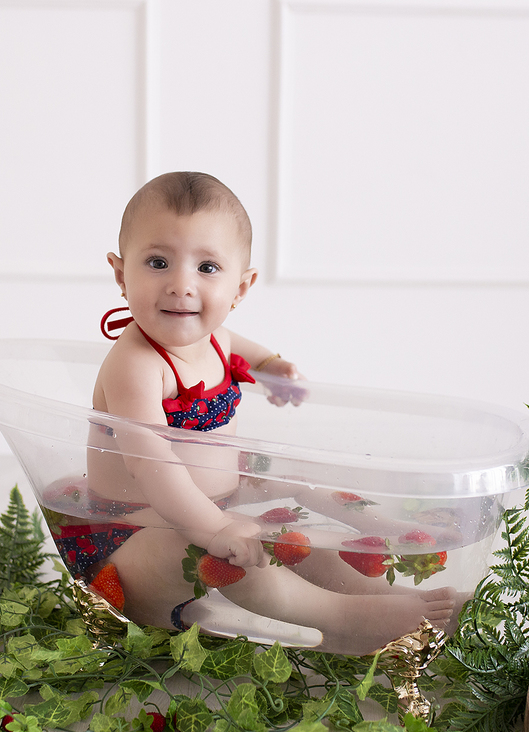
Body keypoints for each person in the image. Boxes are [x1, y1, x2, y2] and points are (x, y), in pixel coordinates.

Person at [72, 171, 459, 655]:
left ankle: (381, 567)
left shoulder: (214, 338)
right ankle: (338, 620)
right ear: (120, 273)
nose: (181, 286)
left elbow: (247, 352)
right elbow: (151, 463)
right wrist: (214, 528)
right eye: (157, 262)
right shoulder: (136, 365)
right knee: (213, 552)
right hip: (130, 533)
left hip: (212, 501)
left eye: (207, 268)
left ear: (242, 286)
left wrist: (273, 367)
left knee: (288, 504)